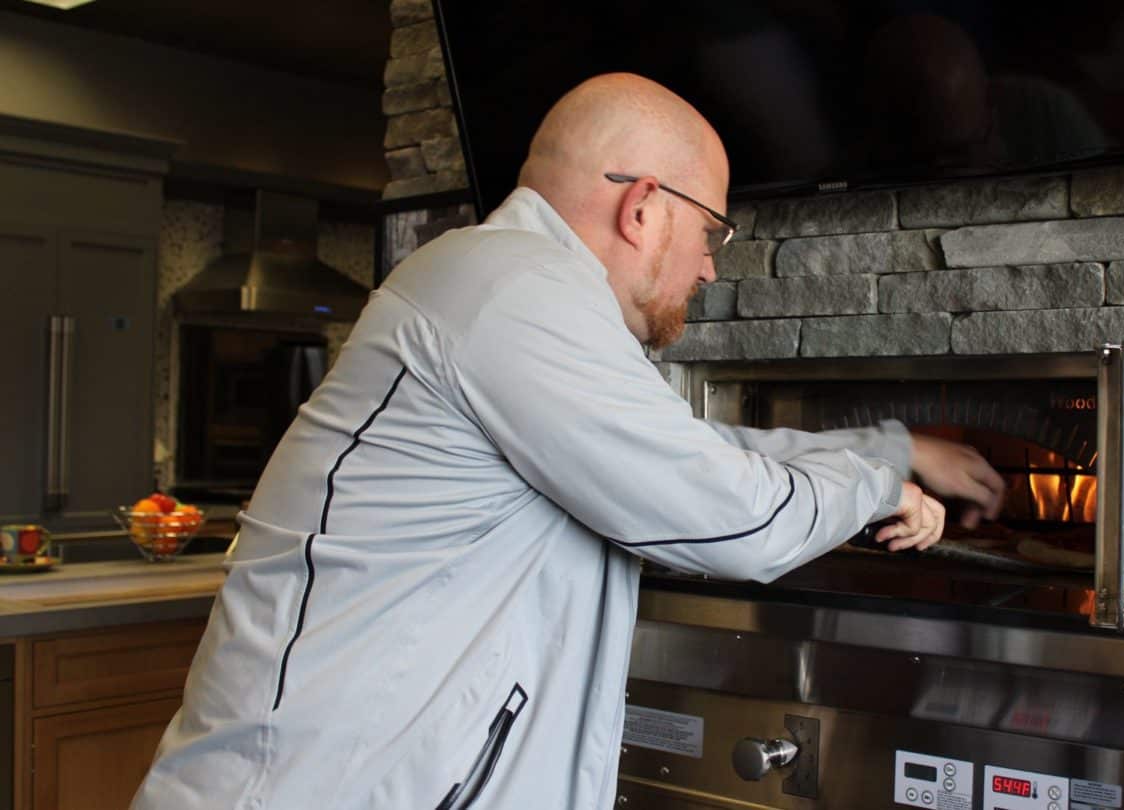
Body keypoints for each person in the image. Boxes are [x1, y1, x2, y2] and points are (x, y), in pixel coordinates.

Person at [130, 73, 1004, 810]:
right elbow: (729, 515)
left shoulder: (506, 285)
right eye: (712, 233)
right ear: (644, 208)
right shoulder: (513, 291)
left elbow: (681, 451)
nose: (707, 266)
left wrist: (892, 452)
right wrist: (876, 488)